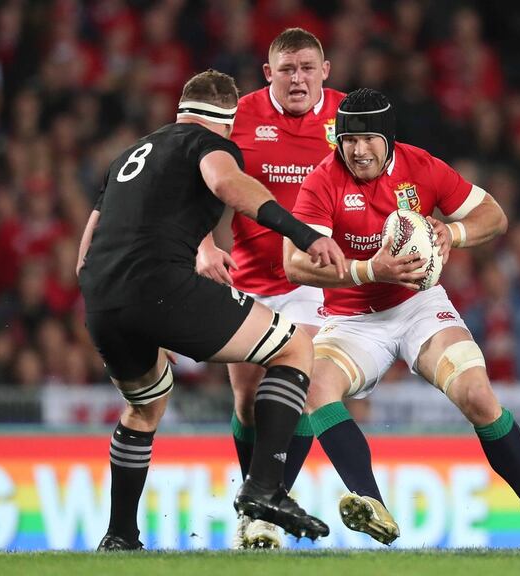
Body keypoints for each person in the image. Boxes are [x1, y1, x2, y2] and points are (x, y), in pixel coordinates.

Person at [280, 87, 520, 548]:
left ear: (387, 139)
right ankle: (371, 503)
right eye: (349, 140)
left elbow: (494, 215)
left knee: (477, 395)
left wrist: (453, 231)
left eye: (368, 139)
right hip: (352, 318)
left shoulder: (420, 166)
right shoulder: (324, 180)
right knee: (315, 389)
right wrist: (370, 269)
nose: (358, 150)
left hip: (418, 306)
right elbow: (293, 262)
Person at [77, 69, 344, 551]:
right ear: (229, 117)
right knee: (294, 347)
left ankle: (119, 535)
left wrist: (119, 301)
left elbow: (87, 245)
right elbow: (226, 184)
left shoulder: (130, 156)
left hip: (100, 295)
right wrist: (303, 234)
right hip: (160, 285)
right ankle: (265, 489)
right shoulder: (208, 143)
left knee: (146, 403)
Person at [196, 27, 344, 550]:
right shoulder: (238, 118)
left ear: (325, 70)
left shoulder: (349, 119)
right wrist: (207, 245)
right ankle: (255, 503)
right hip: (247, 274)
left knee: (295, 384)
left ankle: (262, 506)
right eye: (287, 69)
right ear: (268, 74)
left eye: (307, 68)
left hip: (310, 277)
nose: (298, 79)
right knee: (245, 398)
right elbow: (203, 185)